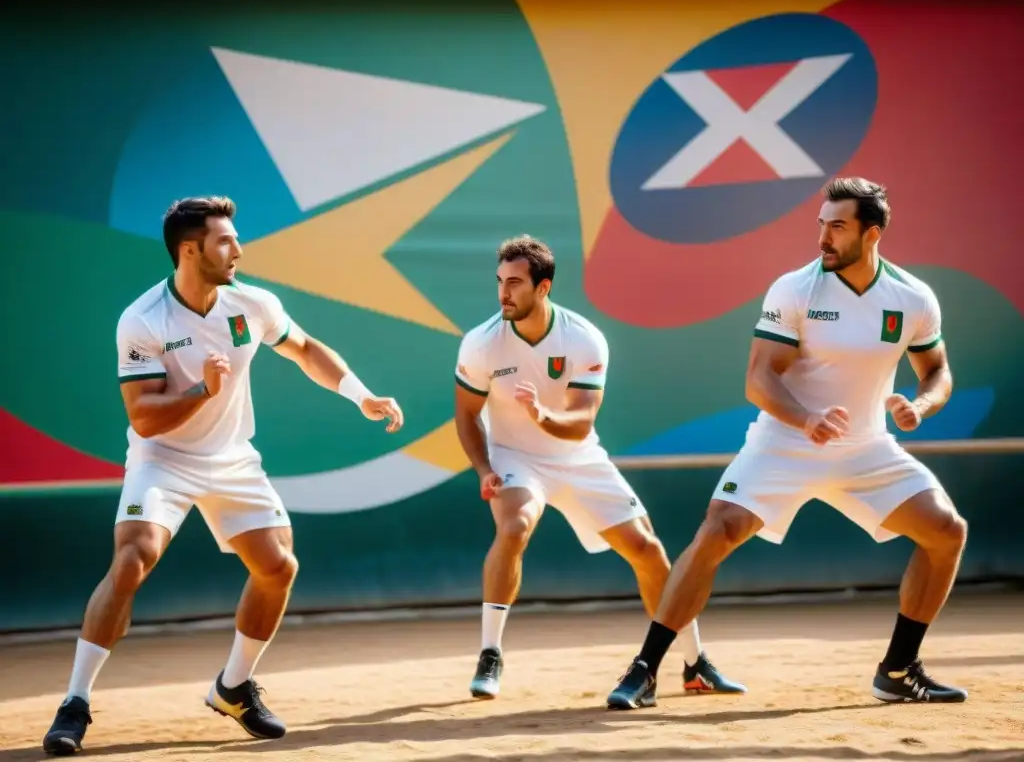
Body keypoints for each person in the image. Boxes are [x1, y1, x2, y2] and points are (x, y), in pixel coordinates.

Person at [41, 196, 404, 756]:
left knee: (279, 566)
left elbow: (305, 349)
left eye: (235, 239)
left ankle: (232, 687)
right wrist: (200, 391)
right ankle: (75, 703)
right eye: (225, 241)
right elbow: (142, 414)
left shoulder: (252, 303)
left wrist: (361, 396)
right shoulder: (142, 319)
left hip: (232, 459)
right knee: (133, 557)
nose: (238, 249)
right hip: (162, 460)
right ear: (190, 250)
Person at [606, 177, 970, 710]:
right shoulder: (795, 288)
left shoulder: (913, 298)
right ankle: (646, 669)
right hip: (784, 442)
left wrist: (922, 405)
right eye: (821, 224)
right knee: (717, 531)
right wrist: (806, 420)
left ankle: (897, 669)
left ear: (871, 234)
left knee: (946, 532)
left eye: (837, 226)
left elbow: (936, 370)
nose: (823, 236)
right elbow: (759, 379)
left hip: (866, 447)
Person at [453, 235, 745, 701]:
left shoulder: (583, 338)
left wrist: (543, 415)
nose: (503, 293)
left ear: (543, 287)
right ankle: (490, 654)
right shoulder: (481, 344)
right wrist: (485, 467)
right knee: (514, 526)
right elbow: (467, 415)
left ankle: (695, 663)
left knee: (647, 549)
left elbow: (583, 419)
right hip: (515, 458)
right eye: (499, 282)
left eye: (514, 283)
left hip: (578, 456)